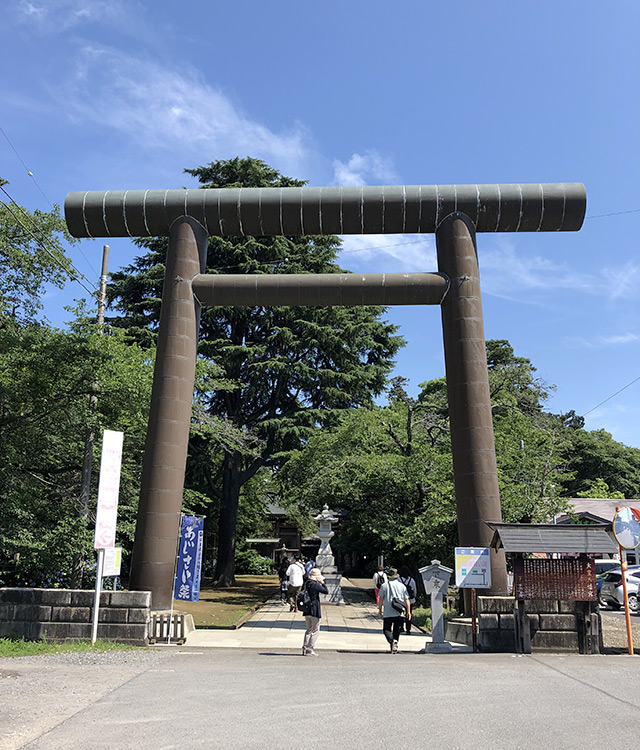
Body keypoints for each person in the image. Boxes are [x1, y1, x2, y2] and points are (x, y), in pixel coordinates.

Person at [377, 566, 411, 653]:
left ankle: (391, 641)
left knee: (386, 629)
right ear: (397, 576)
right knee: (397, 629)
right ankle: (395, 641)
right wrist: (408, 611)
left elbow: (381, 598)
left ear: (388, 577)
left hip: (388, 611)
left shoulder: (384, 586)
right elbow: (406, 599)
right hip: (399, 611)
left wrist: (380, 610)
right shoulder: (402, 586)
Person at [301, 567, 329, 656]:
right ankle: (310, 648)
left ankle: (304, 648)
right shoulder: (315, 585)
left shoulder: (306, 583)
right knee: (315, 630)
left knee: (308, 629)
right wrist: (322, 583)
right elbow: (326, 591)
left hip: (306, 608)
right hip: (314, 608)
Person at [398, 565, 417, 634]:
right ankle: (408, 629)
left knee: (400, 614)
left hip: (401, 600)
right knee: (409, 614)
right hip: (410, 600)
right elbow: (414, 589)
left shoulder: (399, 580)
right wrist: (414, 596)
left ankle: (401, 627)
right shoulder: (411, 580)